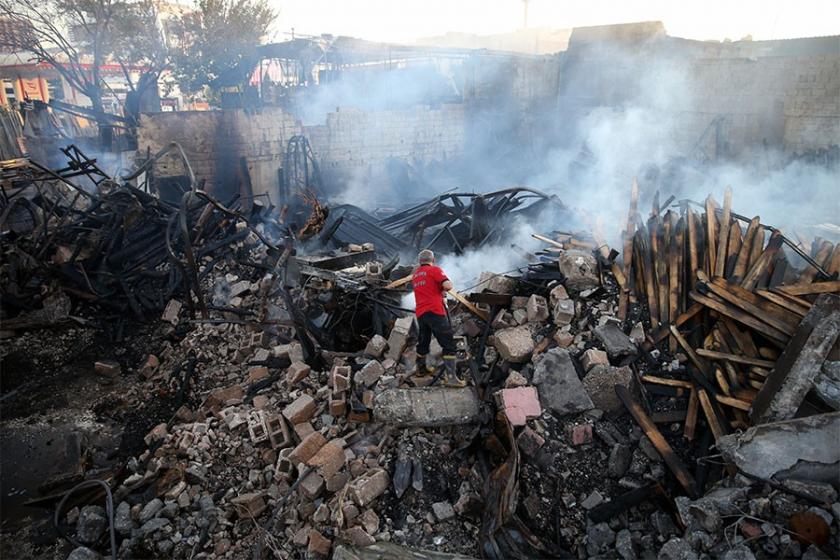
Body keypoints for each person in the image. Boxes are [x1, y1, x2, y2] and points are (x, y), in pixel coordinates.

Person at [411, 249, 465, 387]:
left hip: (421, 313)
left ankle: (421, 370)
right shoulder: (434, 270)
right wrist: (445, 287)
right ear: (432, 260)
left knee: (423, 342)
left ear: (419, 262)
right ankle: (451, 378)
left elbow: (428, 289)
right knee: (448, 343)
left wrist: (439, 291)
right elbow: (447, 285)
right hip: (435, 311)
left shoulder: (416, 275)